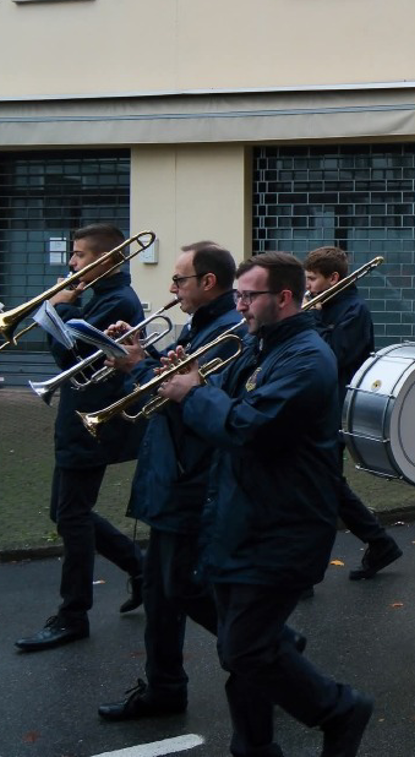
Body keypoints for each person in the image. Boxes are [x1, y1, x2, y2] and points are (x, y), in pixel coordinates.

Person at [157, 251, 373, 757]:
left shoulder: (306, 357)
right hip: (242, 515)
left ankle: (339, 710)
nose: (240, 306)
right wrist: (166, 372)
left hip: (284, 524)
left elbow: (246, 426)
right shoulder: (258, 345)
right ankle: (253, 747)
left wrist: (193, 395)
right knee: (243, 653)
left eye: (248, 297)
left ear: (284, 297)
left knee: (245, 647)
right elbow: (226, 404)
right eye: (236, 296)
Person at [96, 242, 244, 721]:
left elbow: (200, 406)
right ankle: (165, 688)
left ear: (207, 282)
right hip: (172, 473)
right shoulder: (204, 323)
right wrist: (138, 356)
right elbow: (173, 380)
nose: (171, 287)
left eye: (179, 279)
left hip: (190, 477)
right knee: (162, 593)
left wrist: (137, 368)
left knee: (181, 587)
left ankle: (272, 652)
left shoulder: (227, 331)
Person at [16, 224, 147, 653]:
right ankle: (140, 568)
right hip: (79, 420)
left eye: (80, 255)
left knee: (71, 515)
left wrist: (60, 309)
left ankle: (74, 615)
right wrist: (64, 309)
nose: (71, 263)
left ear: (107, 260)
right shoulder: (99, 295)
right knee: (65, 511)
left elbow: (68, 353)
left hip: (92, 423)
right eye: (72, 254)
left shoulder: (117, 299)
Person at [304, 246, 402, 581]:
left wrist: (313, 319)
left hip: (338, 406)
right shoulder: (324, 305)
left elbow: (332, 356)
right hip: (319, 404)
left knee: (322, 486)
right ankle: (380, 542)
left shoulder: (354, 310)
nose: (308, 286)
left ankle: (308, 573)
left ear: (333, 278)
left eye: (312, 279)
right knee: (325, 483)